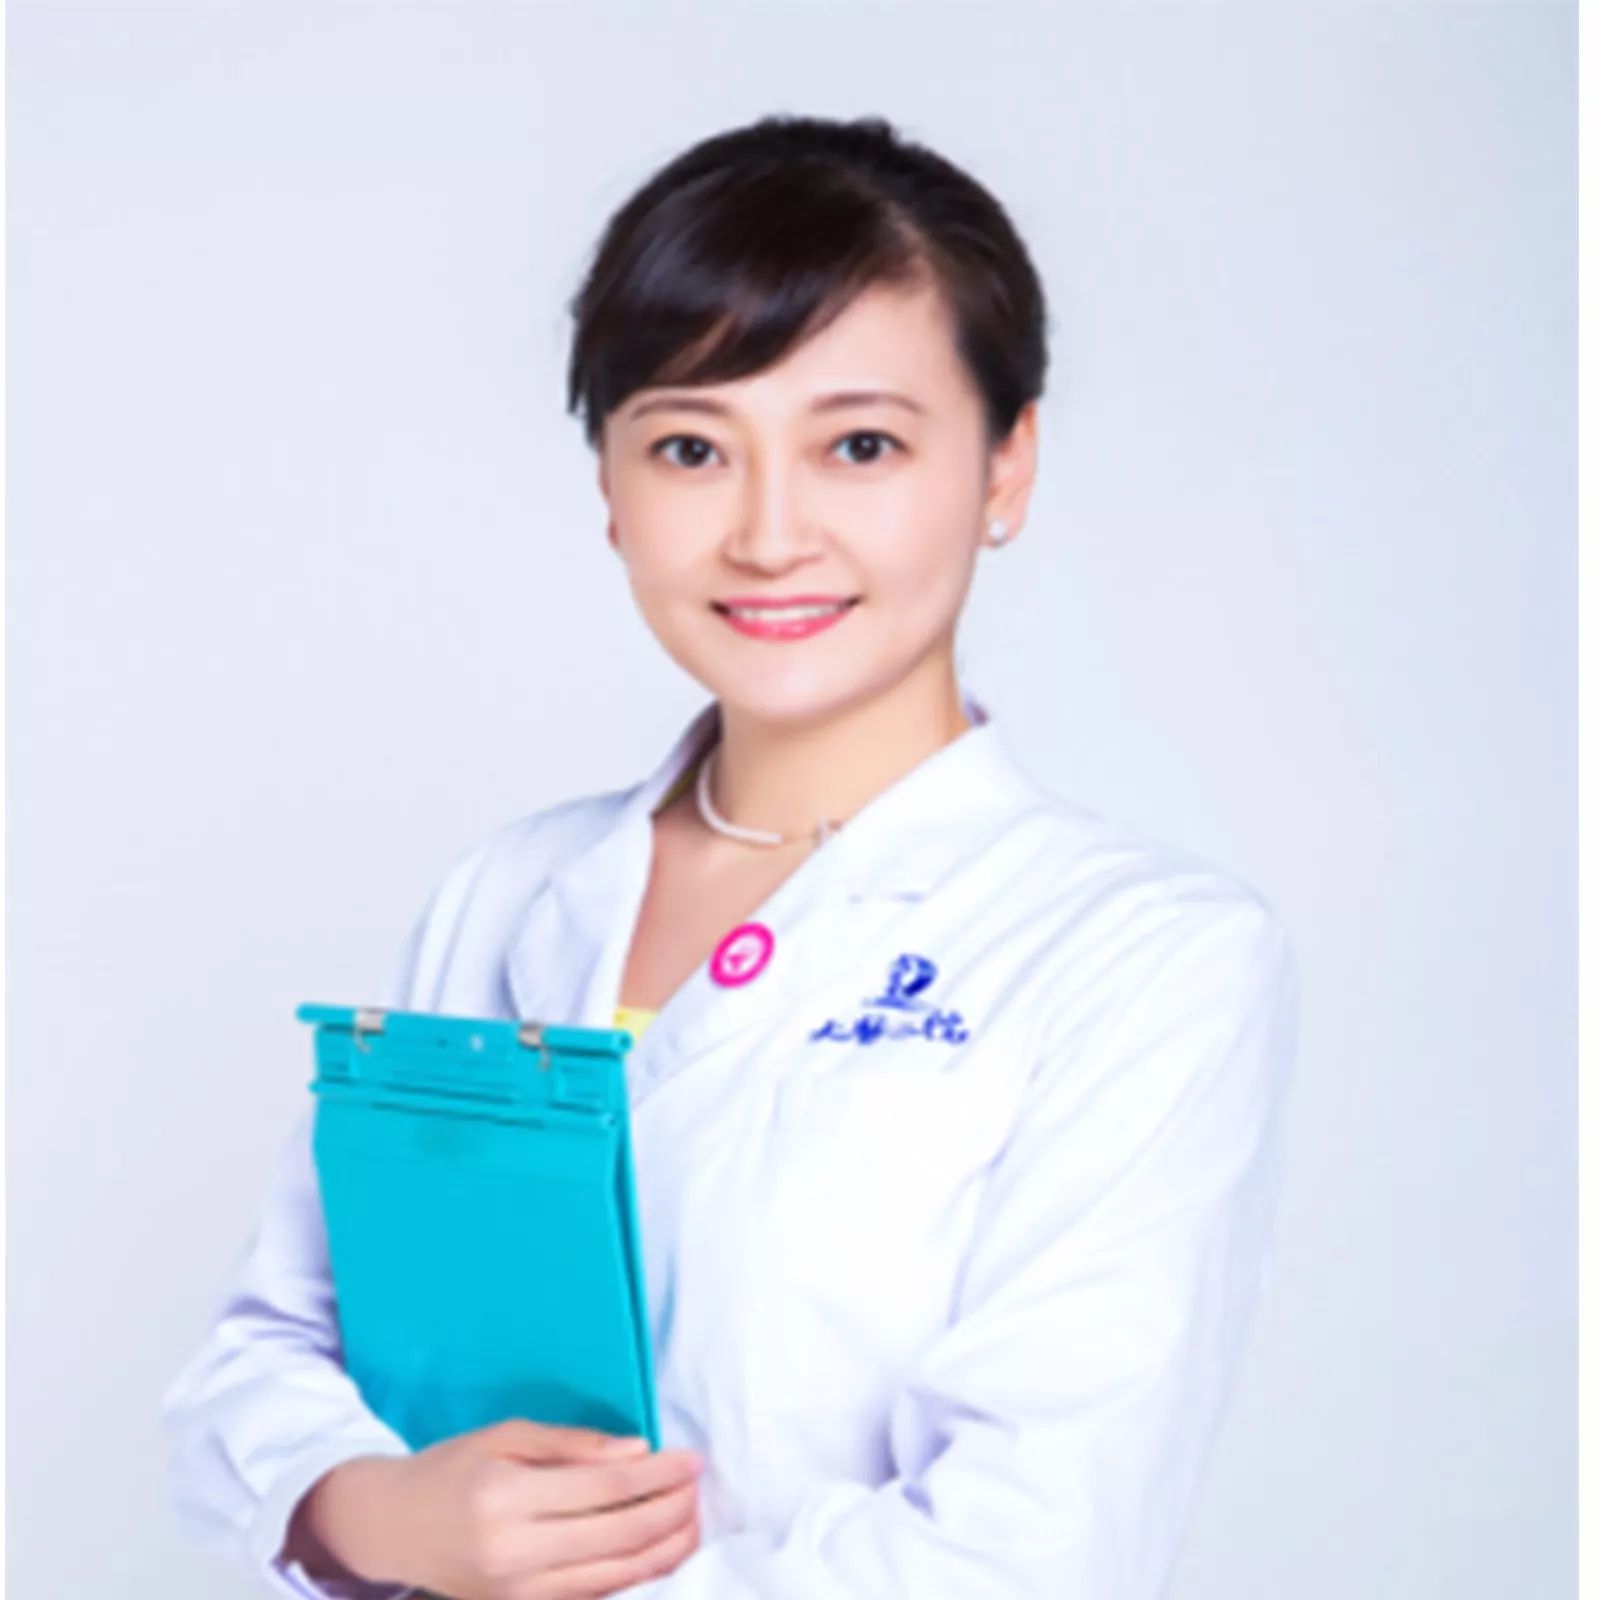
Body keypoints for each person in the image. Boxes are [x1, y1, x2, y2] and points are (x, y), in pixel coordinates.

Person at [160, 112, 1299, 1600]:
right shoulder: (509, 892)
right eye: (692, 448)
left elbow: (1033, 1548)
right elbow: (268, 1351)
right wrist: (373, 1509)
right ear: (610, 487)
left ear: (1005, 466)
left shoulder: (1142, 957)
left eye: (860, 446)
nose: (769, 535)